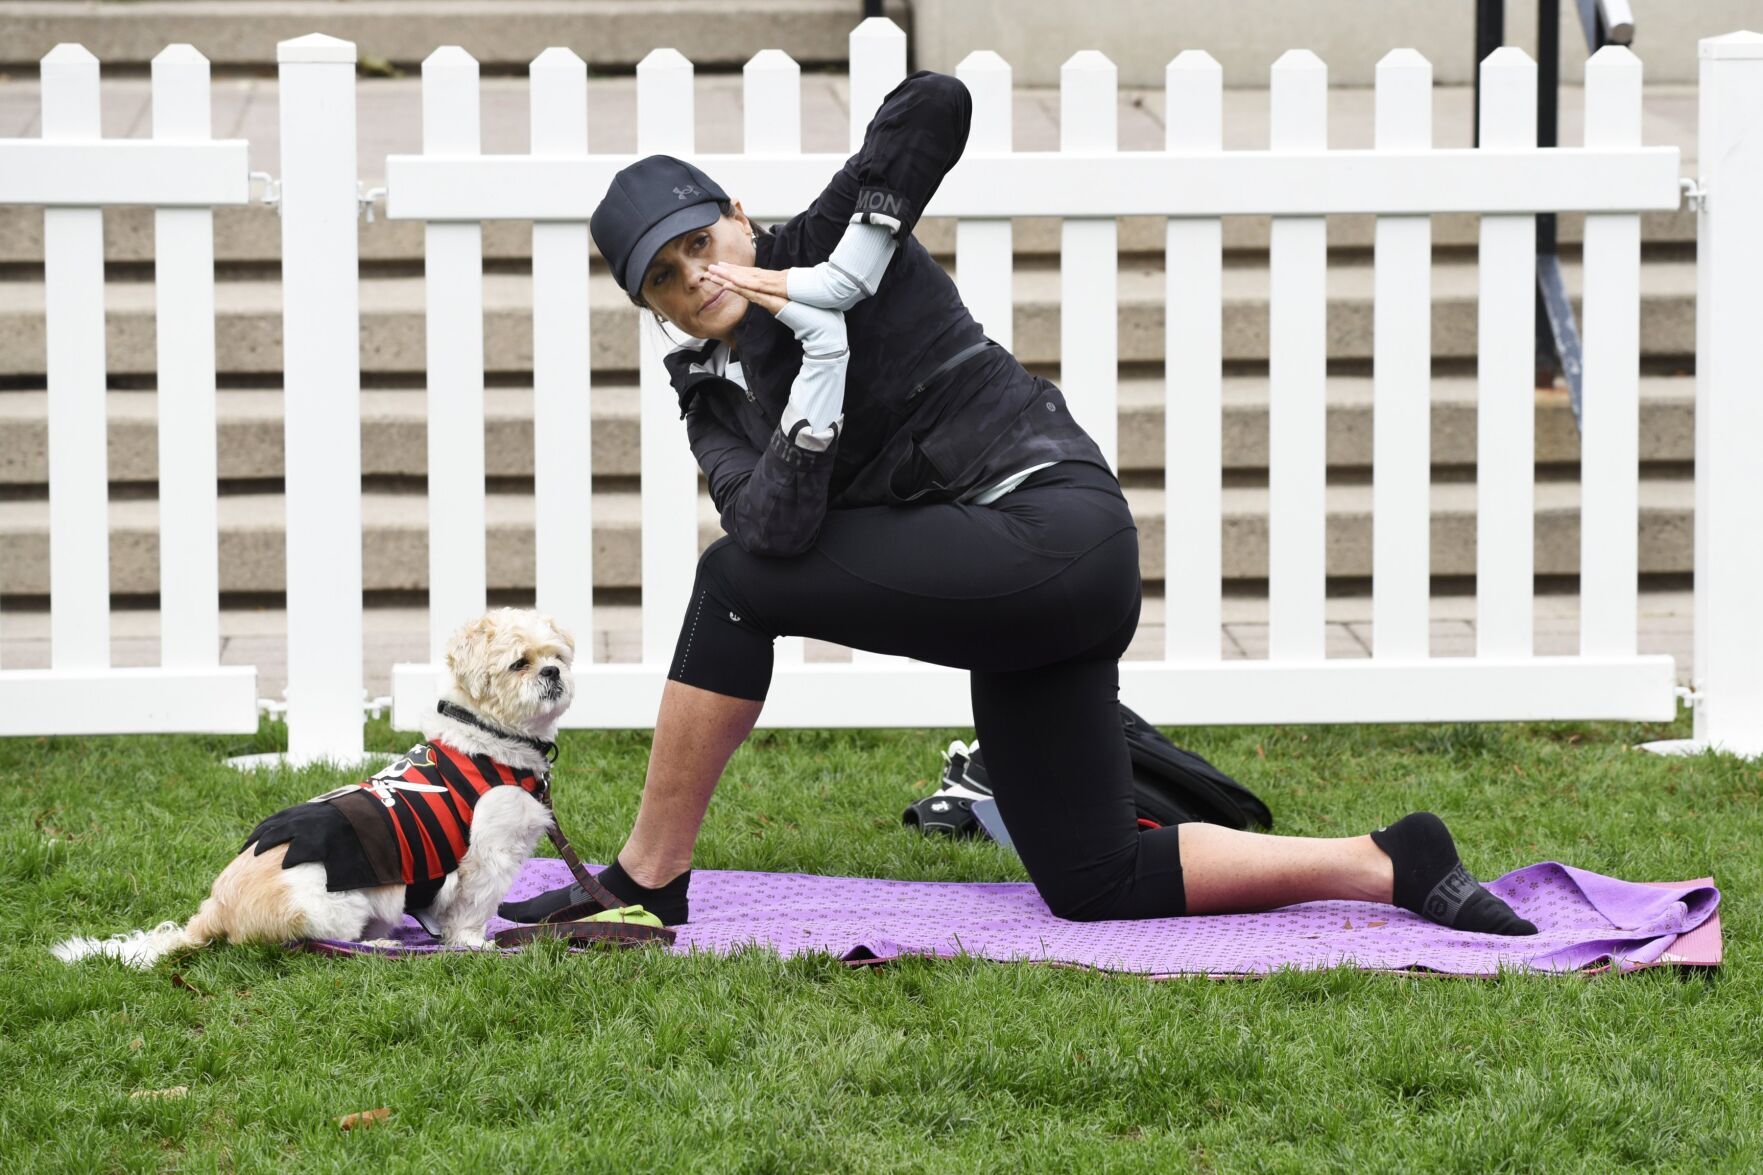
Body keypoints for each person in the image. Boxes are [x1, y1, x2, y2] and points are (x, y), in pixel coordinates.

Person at [500, 72, 1535, 937]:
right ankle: (1390, 861)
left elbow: (933, 103)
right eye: (668, 279)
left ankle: (646, 875)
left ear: (734, 213)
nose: (699, 277)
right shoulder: (710, 396)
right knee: (1088, 880)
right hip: (1012, 605)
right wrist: (814, 369)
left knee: (729, 585)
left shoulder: (822, 238)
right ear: (654, 306)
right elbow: (772, 524)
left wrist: (842, 277)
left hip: (1056, 529)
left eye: (700, 242)